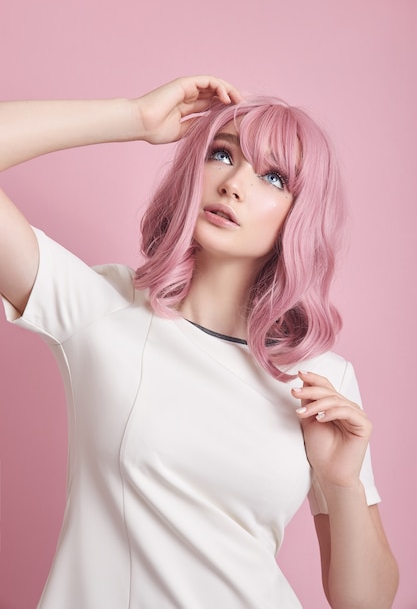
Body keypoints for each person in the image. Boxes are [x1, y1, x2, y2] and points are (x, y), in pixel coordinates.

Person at [0, 76, 398, 608]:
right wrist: (134, 118)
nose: (235, 184)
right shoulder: (102, 308)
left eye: (274, 178)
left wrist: (343, 483)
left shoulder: (319, 376)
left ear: (296, 218)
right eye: (222, 154)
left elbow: (365, 602)